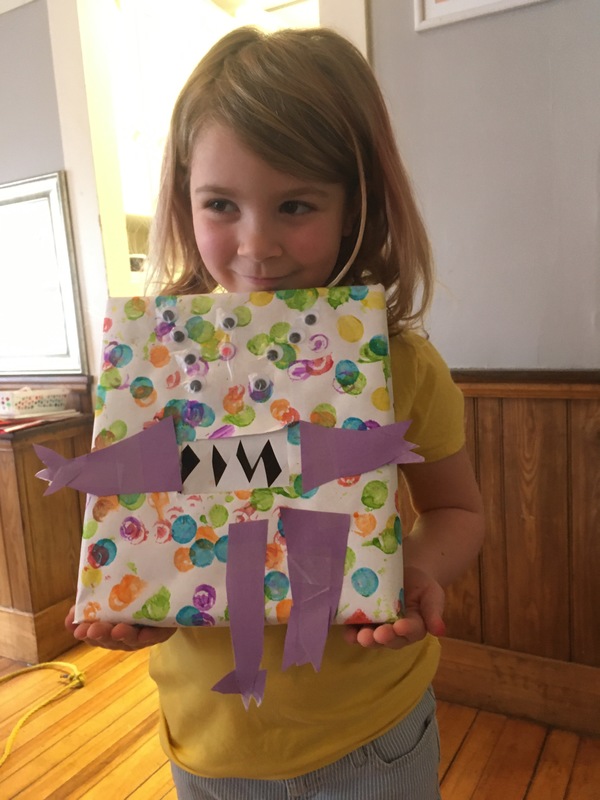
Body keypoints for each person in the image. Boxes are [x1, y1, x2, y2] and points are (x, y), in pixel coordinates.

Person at [66, 25, 485, 799]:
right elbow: (150, 524)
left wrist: (413, 569)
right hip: (207, 745)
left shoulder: (398, 364)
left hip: (370, 736)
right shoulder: (157, 368)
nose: (256, 246)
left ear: (356, 205)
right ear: (184, 199)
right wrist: (140, 595)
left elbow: (458, 508)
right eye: (220, 204)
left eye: (295, 204)